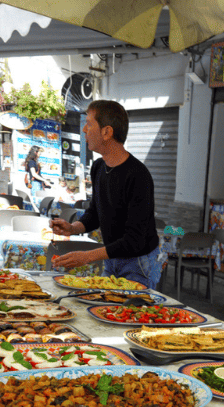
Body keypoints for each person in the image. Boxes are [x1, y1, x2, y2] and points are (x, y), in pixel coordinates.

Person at [50, 100, 160, 287]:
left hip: (138, 263)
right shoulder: (99, 167)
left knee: (131, 314)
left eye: (89, 123)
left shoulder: (138, 176)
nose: (84, 129)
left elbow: (135, 240)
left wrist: (88, 256)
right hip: (111, 258)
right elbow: (95, 213)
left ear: (107, 132)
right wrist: (73, 228)